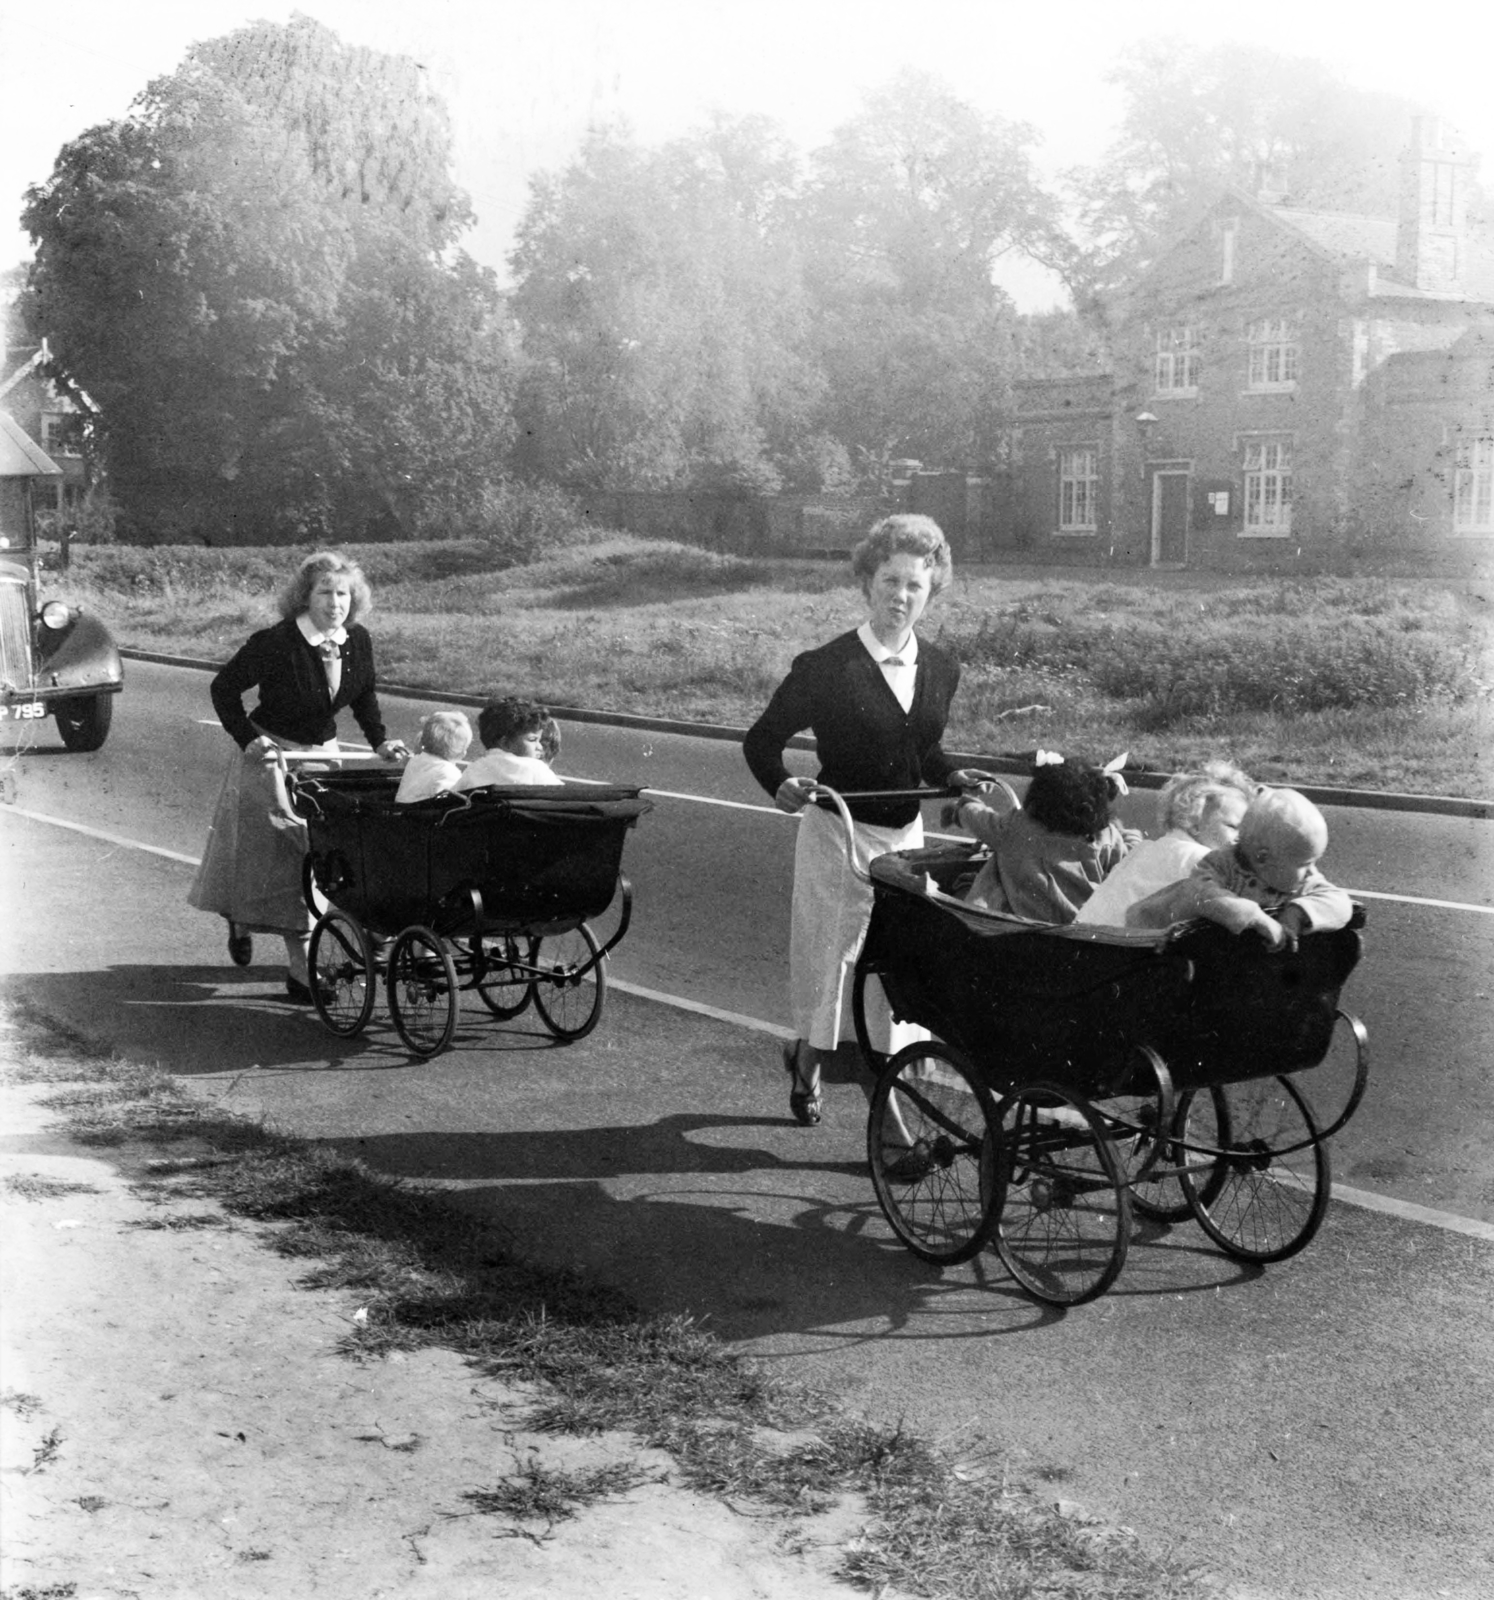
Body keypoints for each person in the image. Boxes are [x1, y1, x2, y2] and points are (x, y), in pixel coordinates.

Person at [743, 514, 987, 1128]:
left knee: (892, 975)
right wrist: (783, 784)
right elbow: (763, 739)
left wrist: (953, 775)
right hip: (838, 835)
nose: (901, 597)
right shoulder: (825, 666)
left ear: (933, 592)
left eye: (915, 586)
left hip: (904, 842)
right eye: (890, 581)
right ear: (866, 582)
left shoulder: (941, 668)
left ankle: (886, 1113)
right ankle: (810, 1061)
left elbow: (921, 751)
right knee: (834, 966)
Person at [188, 551, 408, 1002]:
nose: (335, 602)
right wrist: (248, 738)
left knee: (324, 860)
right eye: (324, 592)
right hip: (273, 757)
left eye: (343, 593)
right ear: (304, 598)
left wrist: (380, 742)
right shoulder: (277, 641)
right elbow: (223, 689)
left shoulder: (357, 640)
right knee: (288, 864)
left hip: (323, 759)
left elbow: (364, 694)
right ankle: (299, 971)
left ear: (355, 598)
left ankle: (254, 922)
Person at [1128, 786, 1353, 949]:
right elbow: (1199, 893)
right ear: (1263, 858)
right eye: (1305, 864)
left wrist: (1298, 912)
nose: (1313, 871)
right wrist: (1255, 916)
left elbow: (1340, 902)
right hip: (1153, 940)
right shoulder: (1220, 866)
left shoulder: (1301, 882)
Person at [947, 752, 1141, 923]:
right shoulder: (1103, 837)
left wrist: (961, 808)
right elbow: (1130, 857)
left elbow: (979, 819)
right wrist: (1128, 833)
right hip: (1079, 928)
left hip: (1018, 926)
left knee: (974, 883)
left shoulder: (1017, 826)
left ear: (1037, 795)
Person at [1074, 760, 1255, 927]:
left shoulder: (1147, 849)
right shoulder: (1200, 858)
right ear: (1193, 822)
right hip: (1119, 952)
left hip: (1080, 942)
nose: (1241, 838)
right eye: (1233, 827)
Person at [456, 697, 564, 788]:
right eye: (532, 740)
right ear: (505, 743)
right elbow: (565, 797)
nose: (539, 747)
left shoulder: (474, 770)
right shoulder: (535, 769)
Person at [395, 710, 473, 803]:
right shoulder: (450, 774)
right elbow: (451, 801)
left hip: (401, 808)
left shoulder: (415, 760)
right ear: (462, 755)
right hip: (423, 814)